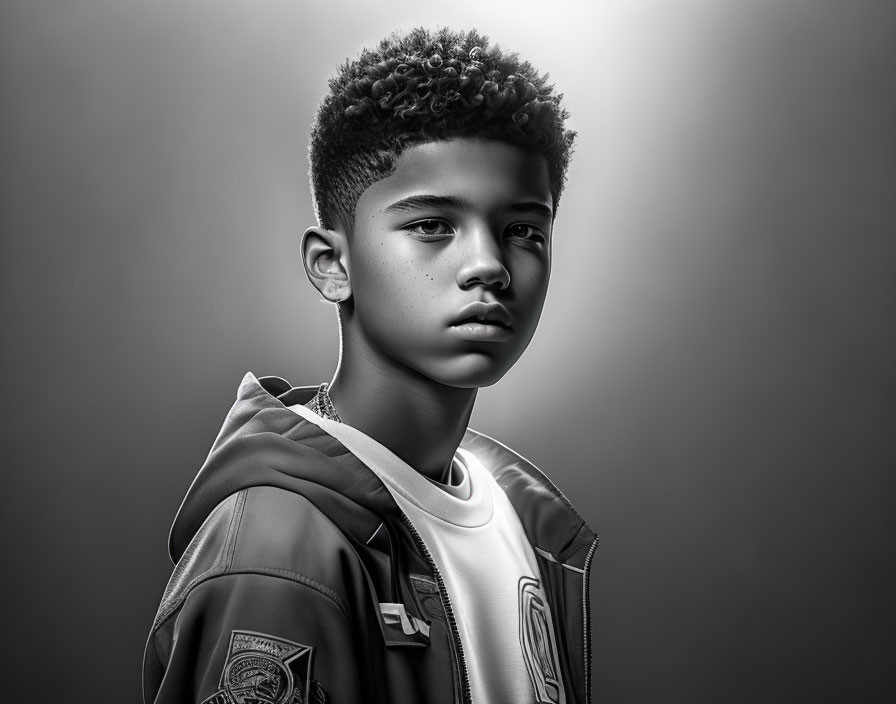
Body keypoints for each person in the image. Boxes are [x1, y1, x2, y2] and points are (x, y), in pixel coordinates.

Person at [143, 26, 597, 704]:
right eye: (433, 225)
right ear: (333, 266)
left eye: (523, 231)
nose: (490, 266)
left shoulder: (518, 518)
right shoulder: (277, 555)